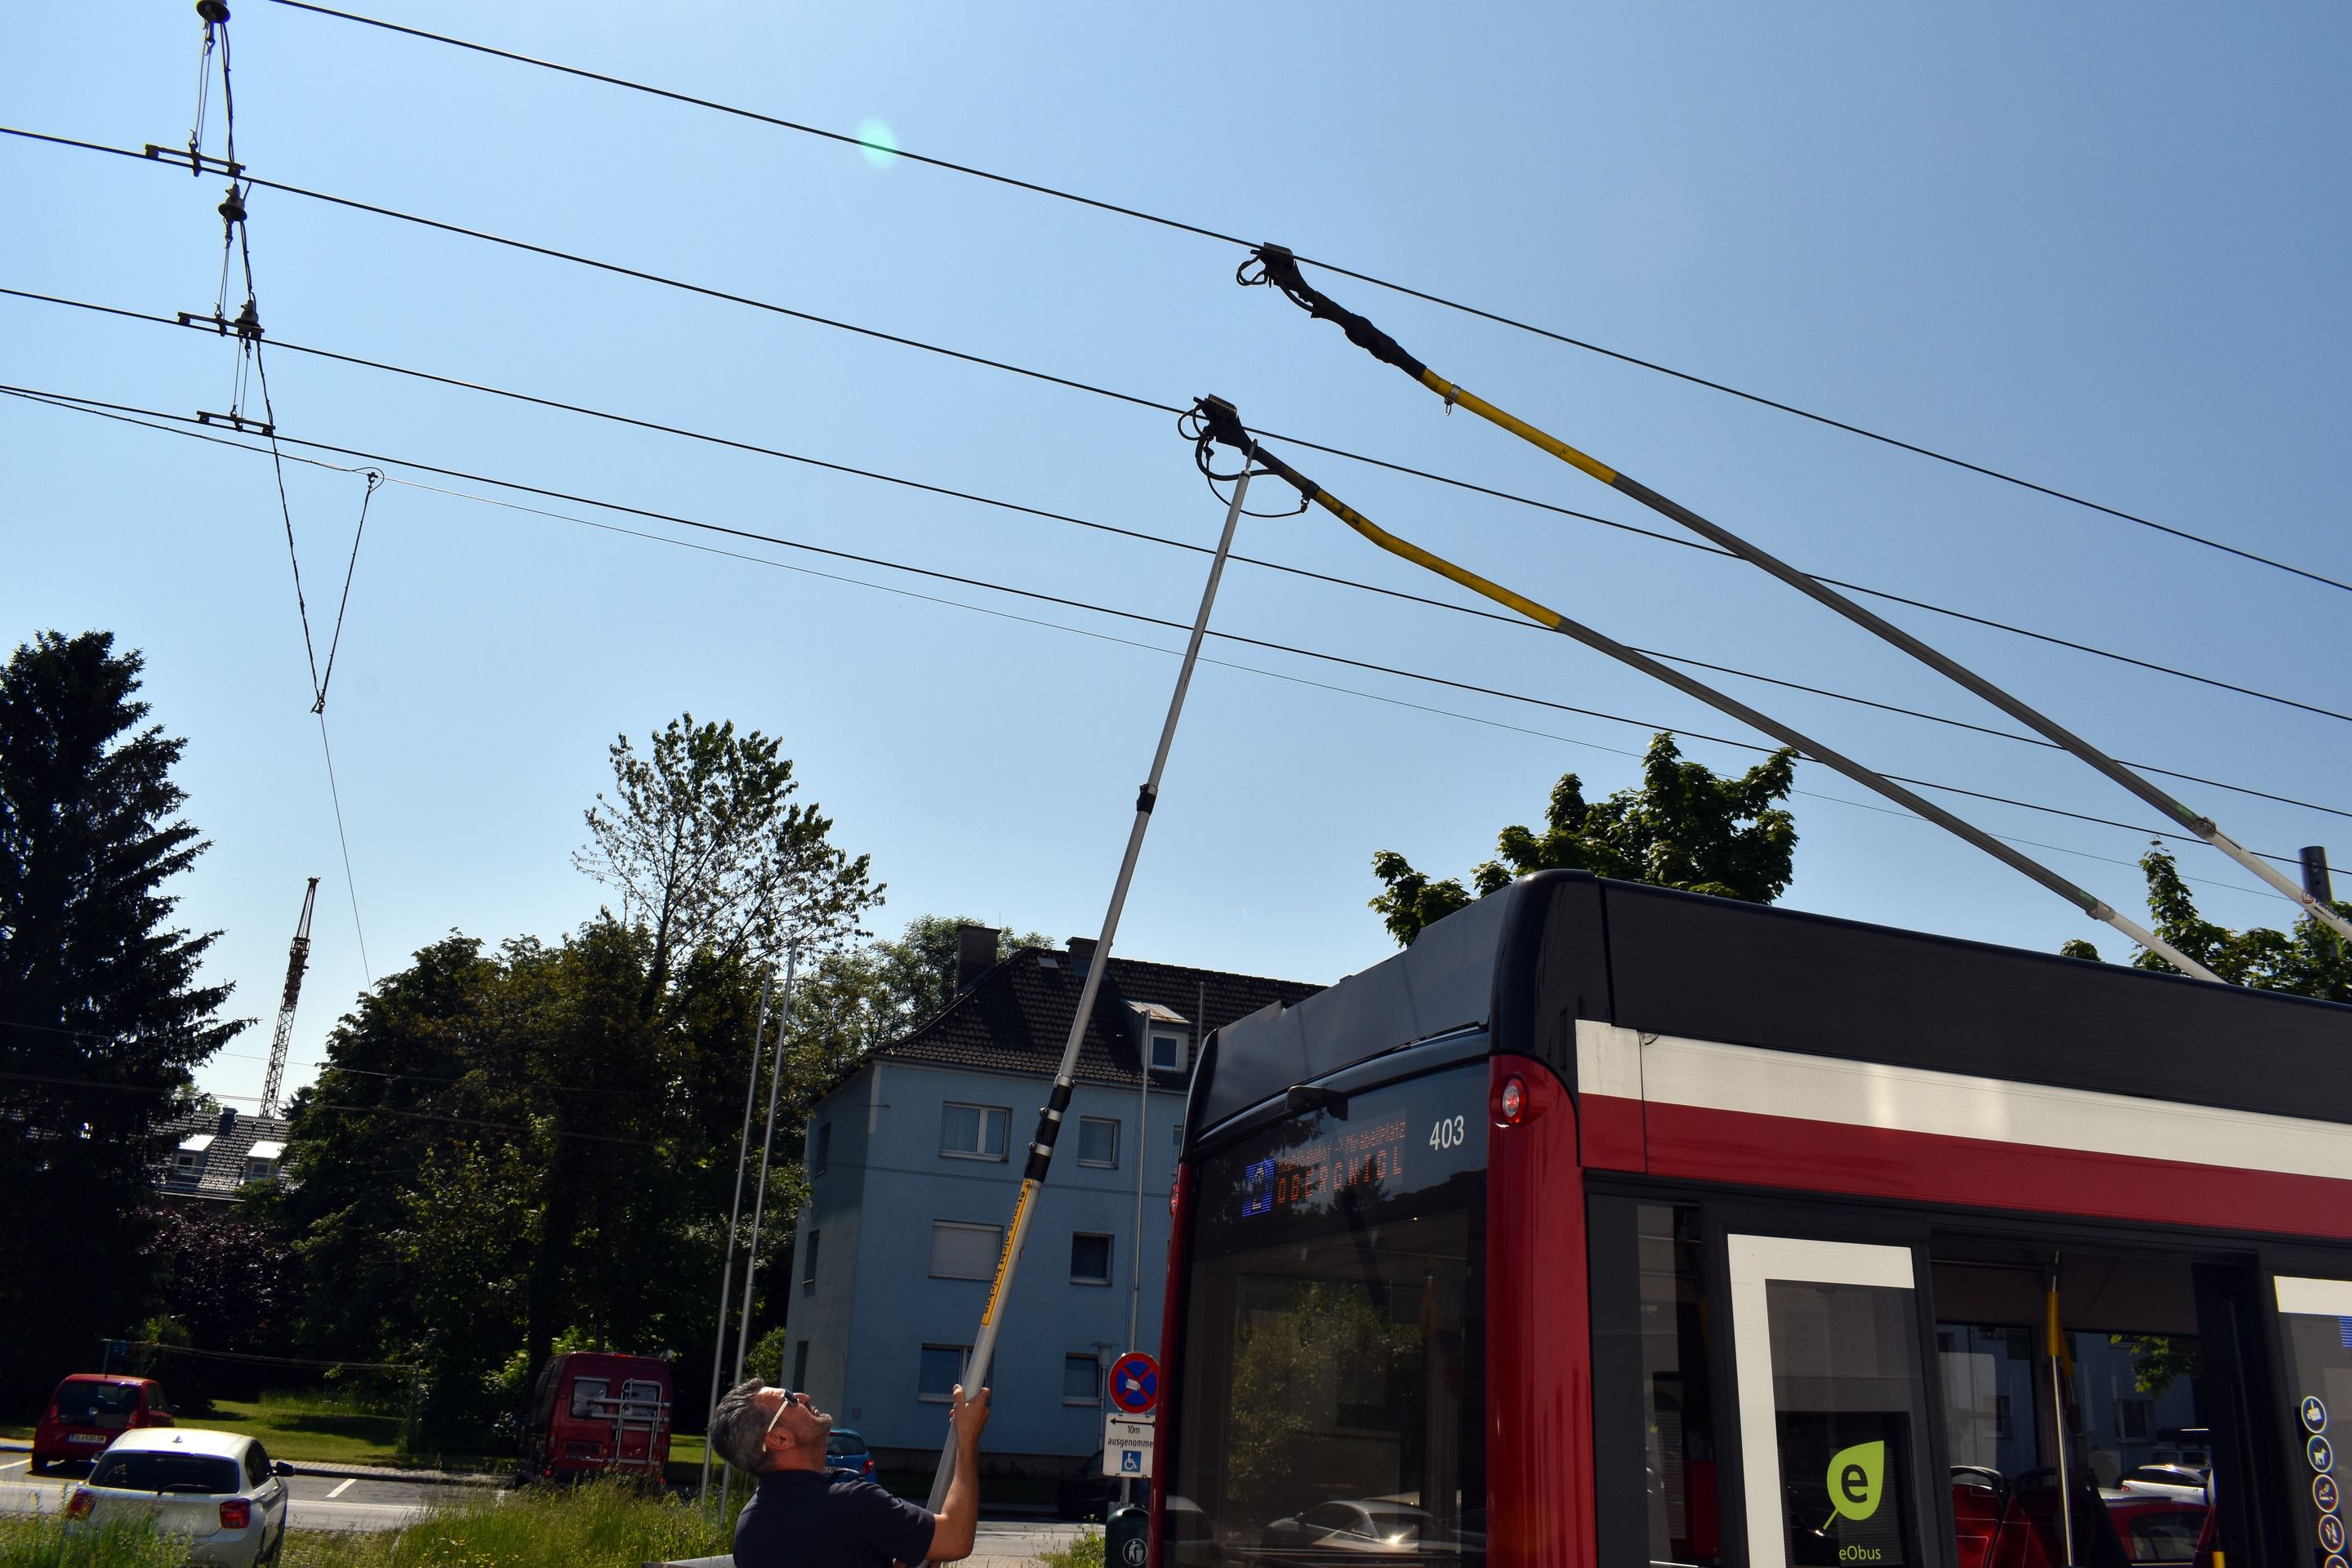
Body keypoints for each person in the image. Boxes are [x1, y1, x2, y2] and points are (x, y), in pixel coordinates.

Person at [713, 1377, 991, 1568]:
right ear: (779, 1439)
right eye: (790, 1400)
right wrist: (967, 1439)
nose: (803, 1397)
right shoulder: (851, 1503)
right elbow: (956, 1538)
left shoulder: (748, 1528)